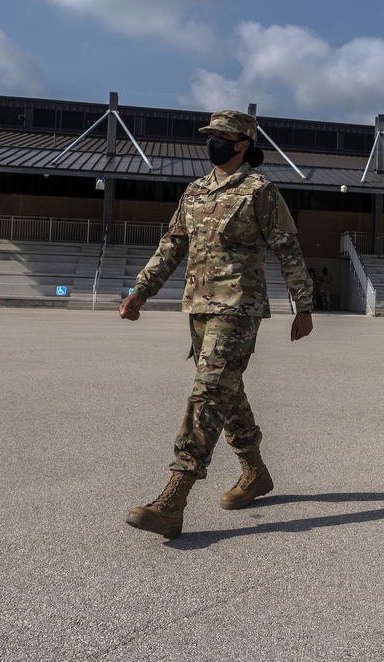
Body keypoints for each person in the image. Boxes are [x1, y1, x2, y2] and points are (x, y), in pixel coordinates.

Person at [119, 110, 315, 538]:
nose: (213, 142)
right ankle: (255, 472)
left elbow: (288, 249)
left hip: (238, 309)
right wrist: (141, 290)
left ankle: (173, 498)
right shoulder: (195, 192)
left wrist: (304, 305)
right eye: (210, 136)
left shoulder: (259, 190)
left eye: (221, 136)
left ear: (243, 143)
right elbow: (172, 244)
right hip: (200, 311)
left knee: (207, 393)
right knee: (228, 392)